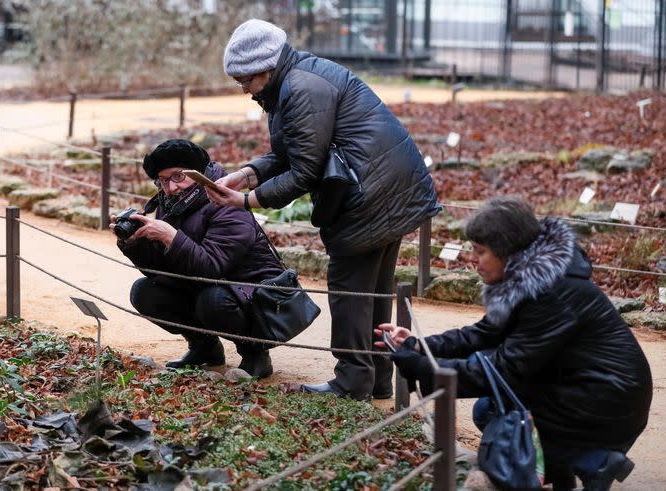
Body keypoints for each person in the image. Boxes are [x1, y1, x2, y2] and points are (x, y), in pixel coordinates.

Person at [205, 19, 441, 401]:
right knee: (374, 291)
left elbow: (304, 171)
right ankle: (376, 378)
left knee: (349, 291)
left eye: (244, 79)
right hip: (391, 189)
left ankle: (350, 382)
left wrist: (249, 201)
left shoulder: (299, 88)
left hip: (369, 195)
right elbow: (290, 151)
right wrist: (247, 175)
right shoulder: (294, 80)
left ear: (264, 67)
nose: (244, 89)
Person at [378, 197, 652, 491]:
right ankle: (577, 464)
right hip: (582, 387)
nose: (473, 260)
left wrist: (426, 369)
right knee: (487, 409)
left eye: (481, 252)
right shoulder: (529, 280)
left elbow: (505, 370)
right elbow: (483, 334)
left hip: (608, 400)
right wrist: (421, 346)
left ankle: (592, 460)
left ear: (507, 252)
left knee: (501, 410)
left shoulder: (552, 294)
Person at [111, 139, 284, 378]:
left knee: (213, 300)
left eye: (178, 176)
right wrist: (134, 244)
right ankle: (204, 348)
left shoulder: (228, 203)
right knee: (145, 292)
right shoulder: (172, 204)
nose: (171, 187)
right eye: (162, 180)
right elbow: (162, 271)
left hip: (254, 294)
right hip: (208, 285)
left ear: (200, 172)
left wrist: (172, 237)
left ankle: (255, 354)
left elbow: (212, 267)